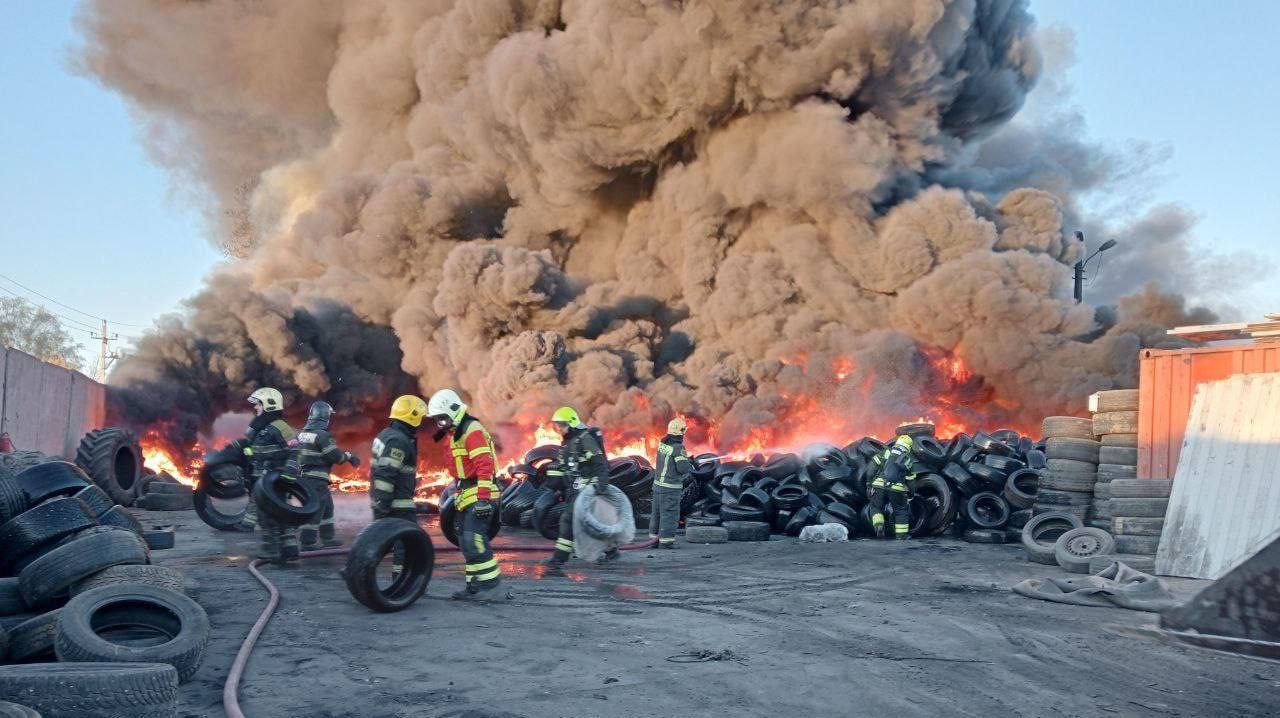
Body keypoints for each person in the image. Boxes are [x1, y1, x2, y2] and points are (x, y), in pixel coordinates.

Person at [426, 389, 504, 600]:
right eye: (437, 419)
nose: (440, 423)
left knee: (475, 540)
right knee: (466, 542)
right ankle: (474, 587)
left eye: (442, 418)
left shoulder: (472, 429)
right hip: (465, 494)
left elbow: (485, 465)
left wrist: (483, 499)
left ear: (453, 411)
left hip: (480, 493)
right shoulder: (455, 432)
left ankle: (492, 588)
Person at [543, 406, 613, 572]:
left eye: (561, 425)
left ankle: (558, 559)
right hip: (575, 490)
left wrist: (601, 485)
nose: (559, 429)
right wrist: (557, 486)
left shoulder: (585, 439)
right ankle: (611, 550)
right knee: (589, 523)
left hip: (587, 489)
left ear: (572, 423)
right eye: (557, 426)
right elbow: (568, 469)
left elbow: (600, 463)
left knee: (567, 521)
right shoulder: (568, 443)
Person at [237, 388, 299, 562]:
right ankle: (288, 549)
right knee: (281, 512)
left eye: (258, 404)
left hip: (274, 479)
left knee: (267, 515)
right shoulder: (261, 427)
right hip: (262, 478)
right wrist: (247, 452)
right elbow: (255, 451)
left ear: (269, 405)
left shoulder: (280, 426)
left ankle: (271, 549)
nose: (255, 407)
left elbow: (295, 450)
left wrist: (289, 473)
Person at [289, 401, 360, 550]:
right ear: (325, 417)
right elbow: (335, 457)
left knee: (327, 506)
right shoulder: (322, 435)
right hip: (316, 478)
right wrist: (349, 456)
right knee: (317, 508)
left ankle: (328, 538)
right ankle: (308, 542)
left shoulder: (302, 434)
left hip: (305, 477)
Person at [369, 395, 427, 575]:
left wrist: (379, 505)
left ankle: (358, 568)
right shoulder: (398, 440)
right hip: (398, 505)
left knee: (383, 542)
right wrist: (383, 505)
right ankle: (403, 581)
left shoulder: (386, 435)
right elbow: (386, 473)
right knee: (407, 545)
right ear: (412, 417)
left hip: (385, 502)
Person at [650, 417, 693, 549]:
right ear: (681, 433)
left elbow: (670, 462)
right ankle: (666, 542)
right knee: (669, 515)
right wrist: (690, 464)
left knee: (657, 514)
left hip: (658, 486)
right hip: (670, 488)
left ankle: (653, 540)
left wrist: (686, 460)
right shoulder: (678, 448)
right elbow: (682, 468)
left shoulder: (663, 445)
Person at [867, 433, 916, 539]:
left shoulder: (886, 452)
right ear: (909, 446)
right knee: (900, 511)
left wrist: (869, 484)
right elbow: (911, 480)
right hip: (897, 489)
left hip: (879, 486)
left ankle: (879, 526)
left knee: (875, 507)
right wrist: (911, 494)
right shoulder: (908, 459)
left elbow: (871, 468)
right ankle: (901, 535)